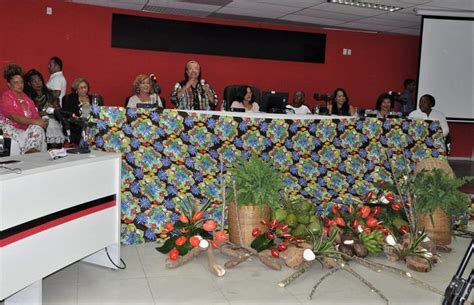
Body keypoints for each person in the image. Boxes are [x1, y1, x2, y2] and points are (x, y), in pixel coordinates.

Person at [0, 64, 47, 154]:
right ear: (9, 84)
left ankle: (32, 153)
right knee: (35, 126)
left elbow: (36, 117)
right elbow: (13, 117)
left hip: (25, 129)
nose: (20, 85)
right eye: (16, 82)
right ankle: (30, 154)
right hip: (10, 129)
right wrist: (36, 122)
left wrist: (42, 122)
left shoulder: (27, 99)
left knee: (38, 128)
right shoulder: (6, 97)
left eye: (21, 82)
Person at [24, 69, 65, 148]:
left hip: (52, 121)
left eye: (39, 80)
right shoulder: (27, 98)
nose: (38, 83)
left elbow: (59, 111)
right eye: (34, 82)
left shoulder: (50, 94)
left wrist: (56, 107)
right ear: (29, 84)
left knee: (53, 125)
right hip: (35, 122)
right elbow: (28, 114)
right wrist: (43, 113)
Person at [61, 77, 102, 144]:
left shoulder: (93, 99)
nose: (83, 89)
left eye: (85, 87)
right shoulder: (70, 99)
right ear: (76, 89)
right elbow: (68, 116)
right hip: (76, 127)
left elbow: (99, 114)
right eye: (80, 88)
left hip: (92, 126)